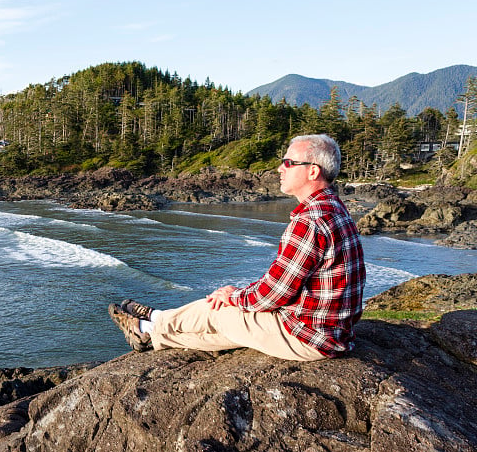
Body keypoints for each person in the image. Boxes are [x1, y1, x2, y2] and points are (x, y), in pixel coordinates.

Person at [109, 134, 366, 361]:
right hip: (329, 331)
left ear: (313, 171)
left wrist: (234, 296)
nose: (280, 168)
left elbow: (275, 293)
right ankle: (151, 332)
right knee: (229, 325)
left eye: (289, 162)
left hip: (309, 336)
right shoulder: (332, 207)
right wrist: (239, 295)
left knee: (221, 312)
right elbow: (283, 287)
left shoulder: (310, 221)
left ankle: (155, 323)